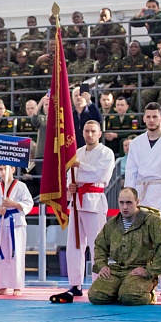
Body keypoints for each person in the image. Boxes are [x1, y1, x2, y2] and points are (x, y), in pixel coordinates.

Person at [123, 102, 161, 300]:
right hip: (142, 195)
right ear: (144, 118)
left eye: (154, 117)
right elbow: (131, 172)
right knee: (142, 245)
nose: (151, 120)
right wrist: (129, 200)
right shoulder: (136, 143)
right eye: (148, 117)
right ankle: (144, 284)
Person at [50, 121, 115, 303]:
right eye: (87, 131)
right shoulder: (77, 152)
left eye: (93, 131)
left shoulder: (106, 153)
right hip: (76, 202)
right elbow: (68, 174)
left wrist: (79, 167)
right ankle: (75, 284)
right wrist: (70, 185)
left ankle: (98, 283)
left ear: (100, 134)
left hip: (94, 201)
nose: (90, 134)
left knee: (97, 245)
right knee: (74, 244)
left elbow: (100, 175)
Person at [88, 188, 161, 306]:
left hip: (139, 270)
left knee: (130, 297)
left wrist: (150, 271)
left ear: (137, 202)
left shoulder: (151, 221)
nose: (125, 207)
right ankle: (119, 292)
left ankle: (150, 295)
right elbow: (100, 245)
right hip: (117, 270)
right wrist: (102, 265)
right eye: (121, 203)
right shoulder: (112, 223)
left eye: (129, 203)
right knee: (96, 296)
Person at [0, 164, 33, 296]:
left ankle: (17, 286)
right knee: (1, 254)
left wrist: (14, 204)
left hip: (16, 223)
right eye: (0, 169)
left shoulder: (21, 186)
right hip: (1, 223)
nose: (3, 172)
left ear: (13, 169)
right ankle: (3, 286)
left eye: (5, 169)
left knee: (17, 254)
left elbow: (29, 203)